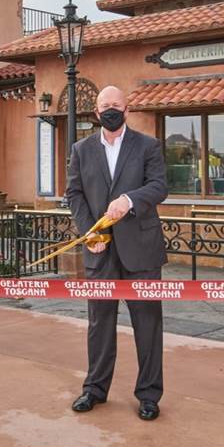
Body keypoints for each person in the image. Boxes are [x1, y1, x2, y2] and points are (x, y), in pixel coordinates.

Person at [65, 85, 169, 420]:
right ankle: (94, 390)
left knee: (148, 325)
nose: (110, 110)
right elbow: (75, 194)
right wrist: (87, 233)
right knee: (99, 324)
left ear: (127, 110)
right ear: (96, 113)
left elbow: (159, 186)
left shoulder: (148, 145)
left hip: (142, 250)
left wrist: (129, 200)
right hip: (100, 250)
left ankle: (149, 395)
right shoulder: (81, 149)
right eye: (104, 105)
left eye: (116, 105)